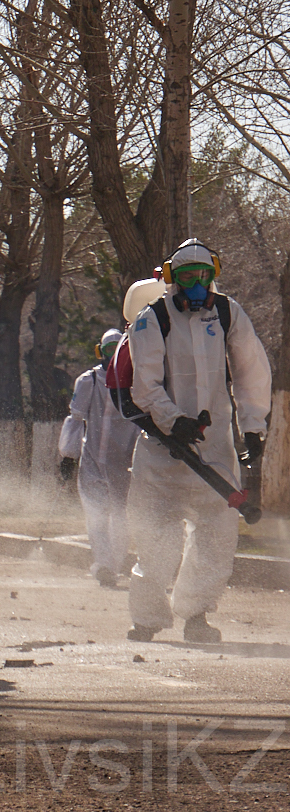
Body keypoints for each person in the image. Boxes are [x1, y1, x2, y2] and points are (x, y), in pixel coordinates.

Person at [124, 239, 271, 644]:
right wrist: (175, 422)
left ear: (212, 277)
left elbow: (251, 371)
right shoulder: (152, 320)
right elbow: (144, 386)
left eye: (202, 277)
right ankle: (148, 618)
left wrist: (254, 426)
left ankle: (196, 616)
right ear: (172, 279)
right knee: (156, 540)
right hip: (162, 453)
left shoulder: (228, 313)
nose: (195, 285)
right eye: (186, 277)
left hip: (216, 450)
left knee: (216, 538)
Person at [58, 329, 140, 587]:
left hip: (124, 465)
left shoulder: (137, 384)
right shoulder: (89, 381)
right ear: (99, 352)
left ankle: (111, 566)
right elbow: (76, 419)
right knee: (96, 516)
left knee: (120, 518)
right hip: (93, 463)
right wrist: (68, 456)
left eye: (118, 350)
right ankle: (104, 565)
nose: (113, 356)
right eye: (108, 350)